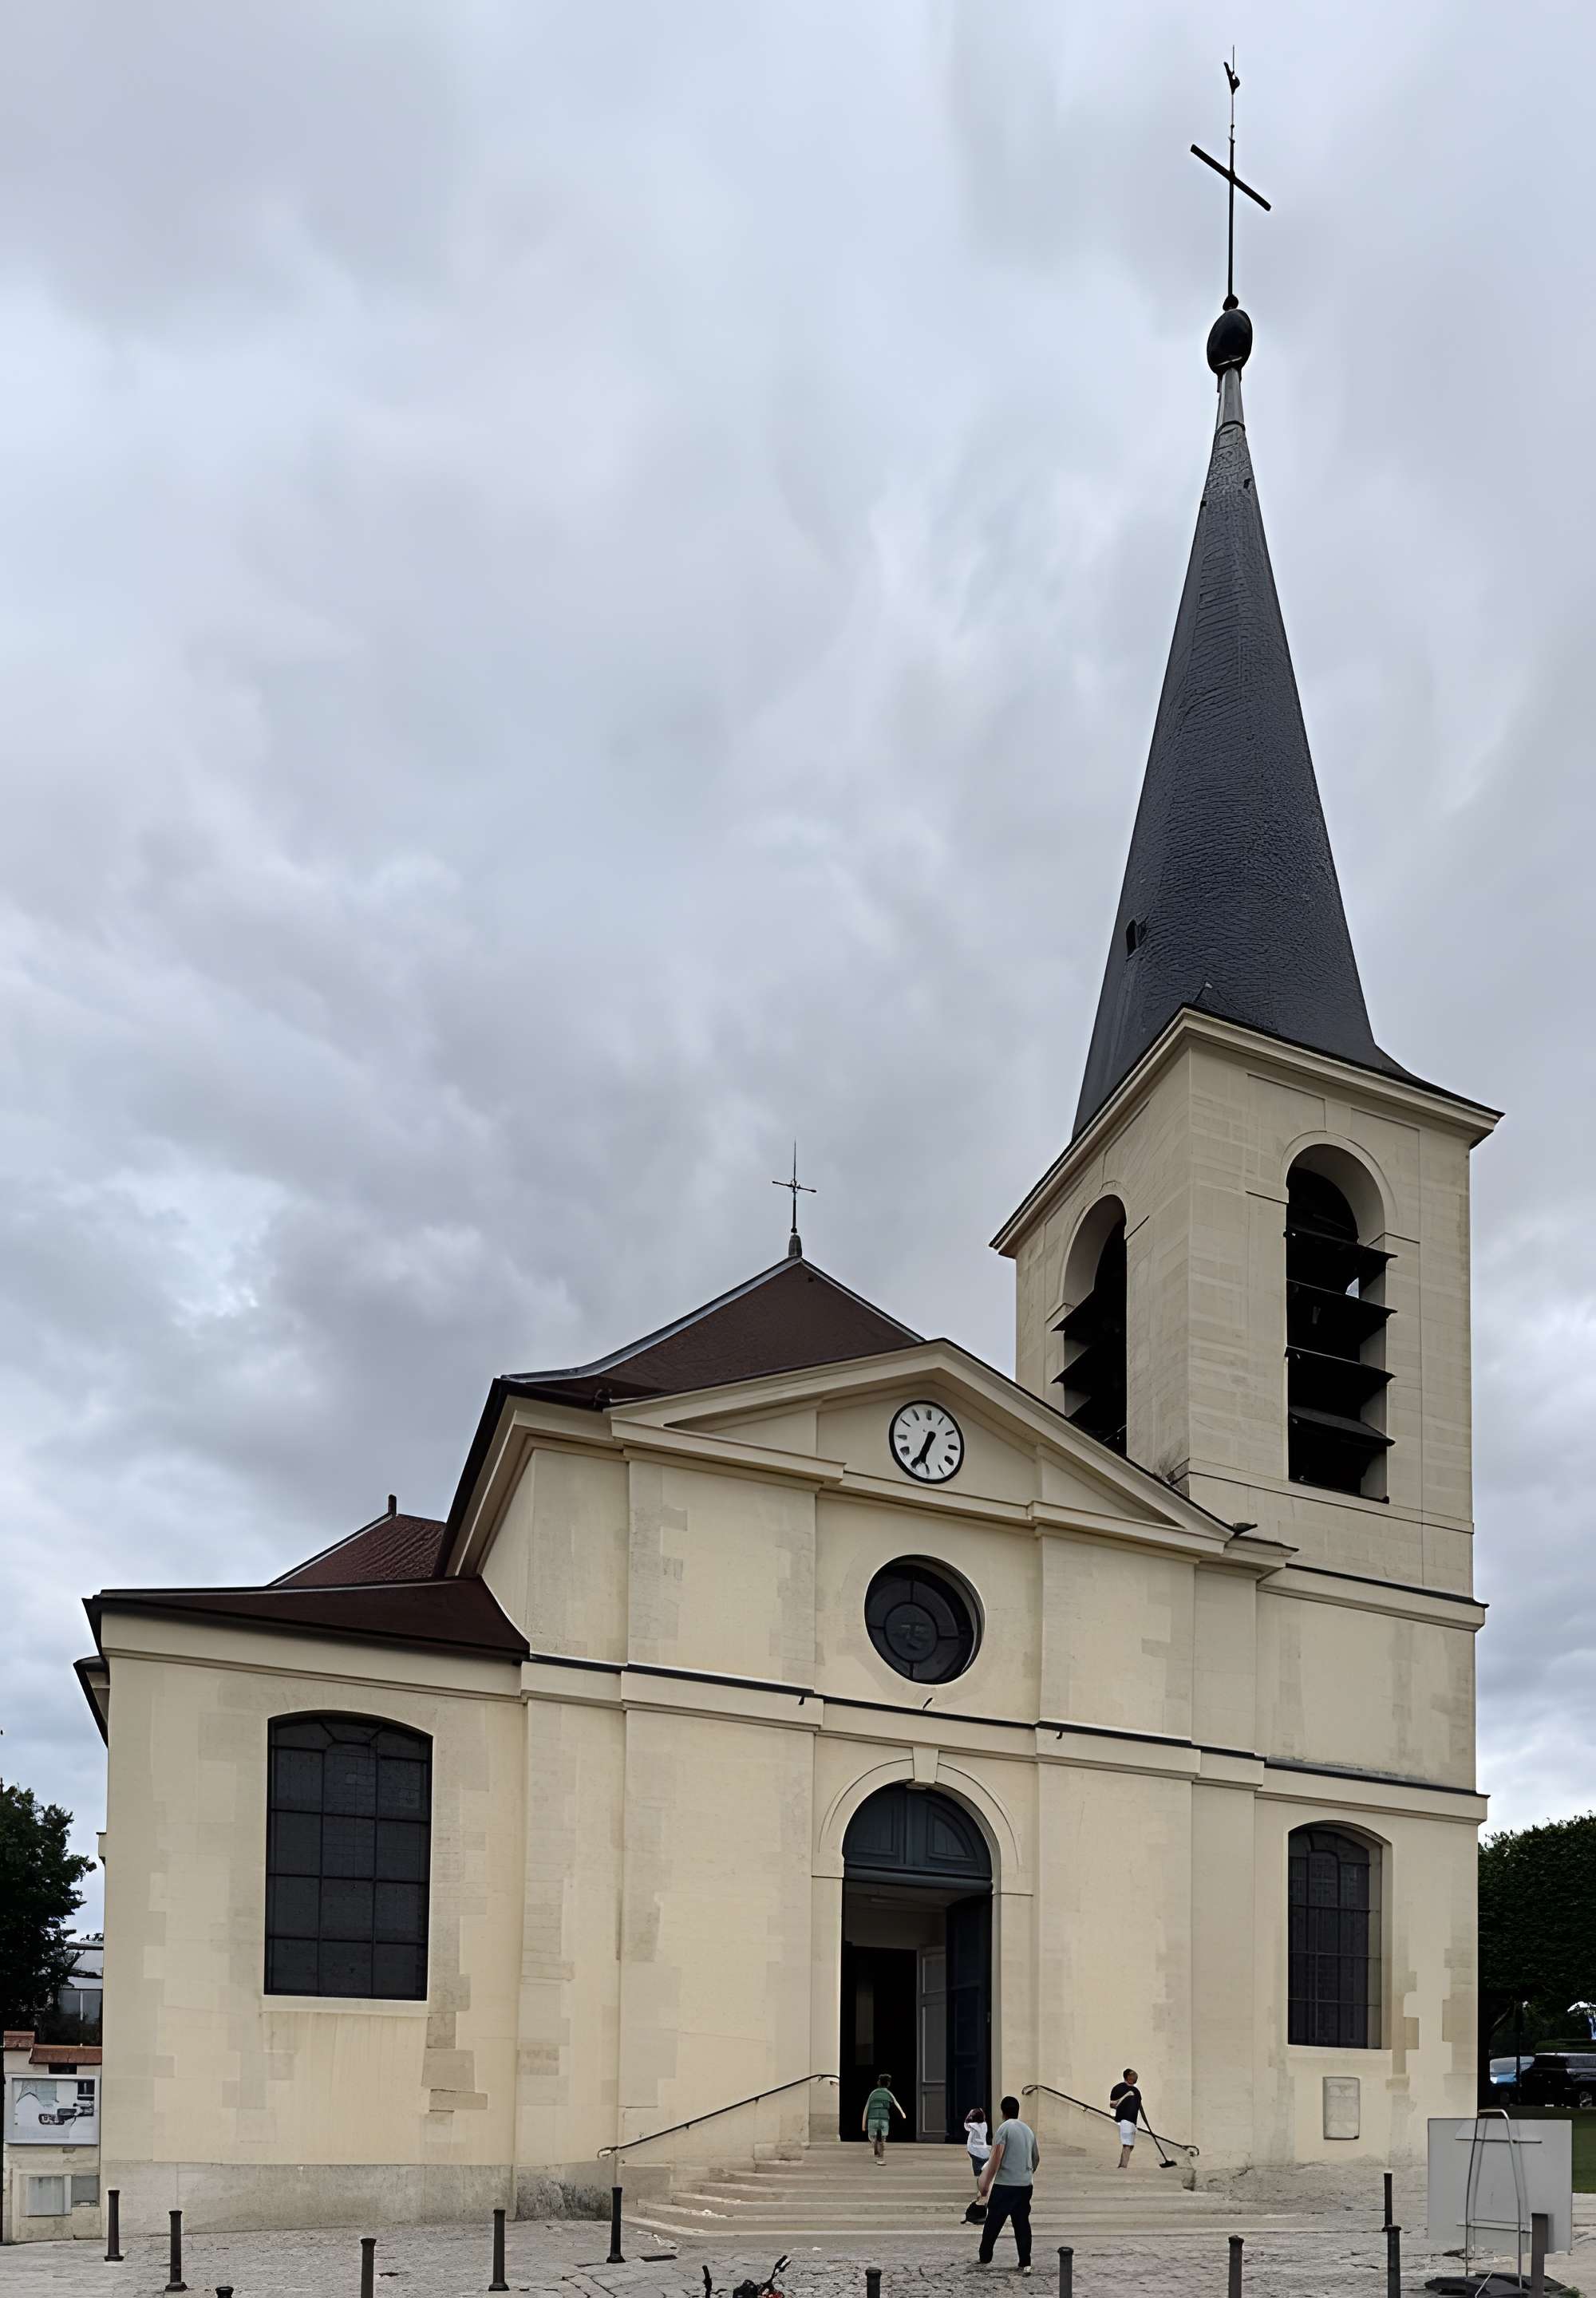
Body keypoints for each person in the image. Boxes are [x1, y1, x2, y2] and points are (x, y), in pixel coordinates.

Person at [976, 2093, 1038, 2272]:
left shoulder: (1004, 2129)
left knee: (993, 2223)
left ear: (1003, 2112)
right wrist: (1026, 2173)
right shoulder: (1028, 2130)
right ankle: (1025, 2260)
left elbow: (996, 2158)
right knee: (1022, 2223)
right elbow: (1036, 2158)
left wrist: (985, 2185)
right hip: (1025, 2185)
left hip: (1005, 2185)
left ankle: (985, 2255)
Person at [861, 2073, 906, 2161]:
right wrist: (903, 2114)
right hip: (884, 2117)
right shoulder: (888, 2093)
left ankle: (875, 2143)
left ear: (878, 2082)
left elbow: (866, 2108)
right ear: (888, 2084)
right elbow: (897, 2105)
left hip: (872, 2117)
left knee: (872, 2136)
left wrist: (863, 2125)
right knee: (883, 2135)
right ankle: (881, 2143)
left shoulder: (873, 2094)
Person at [1108, 2068, 1144, 2169]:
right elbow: (1112, 2104)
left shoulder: (1136, 2091)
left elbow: (1139, 2107)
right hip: (1124, 2118)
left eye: (1135, 2076)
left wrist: (1145, 2122)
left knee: (1130, 2145)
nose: (1134, 2077)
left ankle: (1122, 2164)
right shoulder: (1118, 2088)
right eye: (1132, 2075)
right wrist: (1126, 2096)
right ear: (1127, 2076)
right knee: (1127, 2143)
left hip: (1133, 2120)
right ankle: (1123, 2166)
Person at [964, 2105, 991, 2184]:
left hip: (974, 2151)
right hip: (985, 2152)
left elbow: (965, 2125)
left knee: (977, 2173)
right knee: (984, 2170)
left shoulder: (973, 2125)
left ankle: (980, 2187)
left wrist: (970, 2114)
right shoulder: (985, 2125)